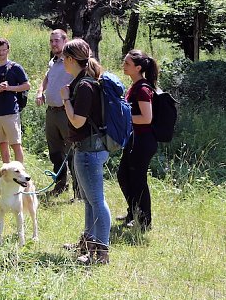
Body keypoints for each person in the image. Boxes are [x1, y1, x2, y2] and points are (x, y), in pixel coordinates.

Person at [60, 38, 111, 265]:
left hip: (89, 151)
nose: (63, 64)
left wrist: (65, 101)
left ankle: (102, 253)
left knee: (97, 201)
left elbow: (78, 121)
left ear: (71, 59)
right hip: (89, 148)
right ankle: (89, 243)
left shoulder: (84, 86)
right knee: (90, 201)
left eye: (64, 59)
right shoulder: (85, 82)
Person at [117, 49, 158, 231]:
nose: (123, 66)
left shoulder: (142, 89)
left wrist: (125, 118)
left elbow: (146, 118)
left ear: (138, 68)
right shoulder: (134, 86)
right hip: (134, 139)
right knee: (124, 175)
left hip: (143, 141)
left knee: (138, 180)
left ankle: (145, 221)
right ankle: (133, 213)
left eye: (127, 64)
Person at [34, 29, 74, 196]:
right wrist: (40, 91)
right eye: (51, 41)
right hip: (51, 112)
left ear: (65, 41)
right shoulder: (54, 61)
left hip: (66, 112)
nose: (53, 44)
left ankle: (78, 192)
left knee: (72, 153)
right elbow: (47, 78)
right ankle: (60, 185)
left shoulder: (71, 61)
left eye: (56, 40)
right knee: (55, 152)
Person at [0, 38, 30, 163]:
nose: (1, 53)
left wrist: (9, 88)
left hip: (11, 112)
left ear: (8, 50)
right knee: (2, 144)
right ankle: (6, 172)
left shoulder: (15, 67)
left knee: (16, 144)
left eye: (3, 50)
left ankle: (20, 174)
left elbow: (27, 86)